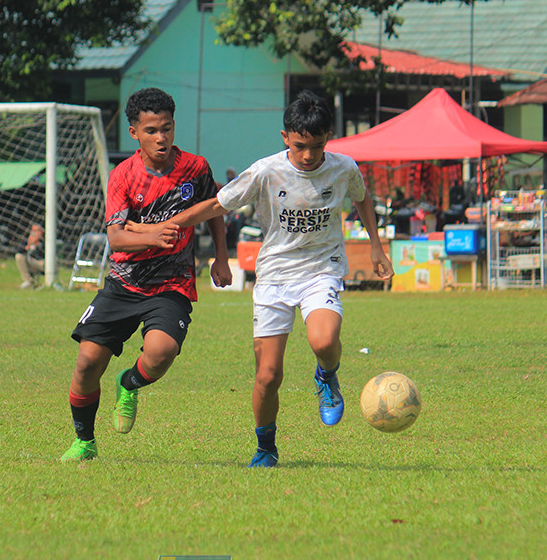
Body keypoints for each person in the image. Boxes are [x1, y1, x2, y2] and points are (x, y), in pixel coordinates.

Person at [157, 89, 394, 468]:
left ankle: (326, 376)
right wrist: (173, 222)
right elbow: (220, 203)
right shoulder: (267, 171)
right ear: (285, 137)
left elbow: (361, 197)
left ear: (328, 138)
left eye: (317, 146)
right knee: (268, 375)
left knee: (324, 338)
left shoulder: (343, 167)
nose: (309, 156)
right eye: (300, 146)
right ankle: (266, 447)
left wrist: (377, 247)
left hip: (322, 268)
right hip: (274, 277)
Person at [60, 87, 232, 462]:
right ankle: (84, 441)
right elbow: (116, 234)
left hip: (173, 284)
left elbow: (213, 209)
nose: (162, 138)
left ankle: (130, 382)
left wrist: (221, 257)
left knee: (161, 352)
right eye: (152, 130)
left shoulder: (195, 168)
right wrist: (152, 234)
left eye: (167, 128)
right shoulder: (123, 175)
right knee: (88, 361)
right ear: (134, 132)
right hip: (123, 283)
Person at [16, 222, 45, 289]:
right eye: (33, 231)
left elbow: (43, 255)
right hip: (31, 262)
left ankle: (48, 283)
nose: (35, 233)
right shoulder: (27, 239)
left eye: (37, 231)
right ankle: (28, 281)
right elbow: (19, 250)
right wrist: (29, 245)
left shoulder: (46, 241)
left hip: (41, 263)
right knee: (19, 256)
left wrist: (37, 244)